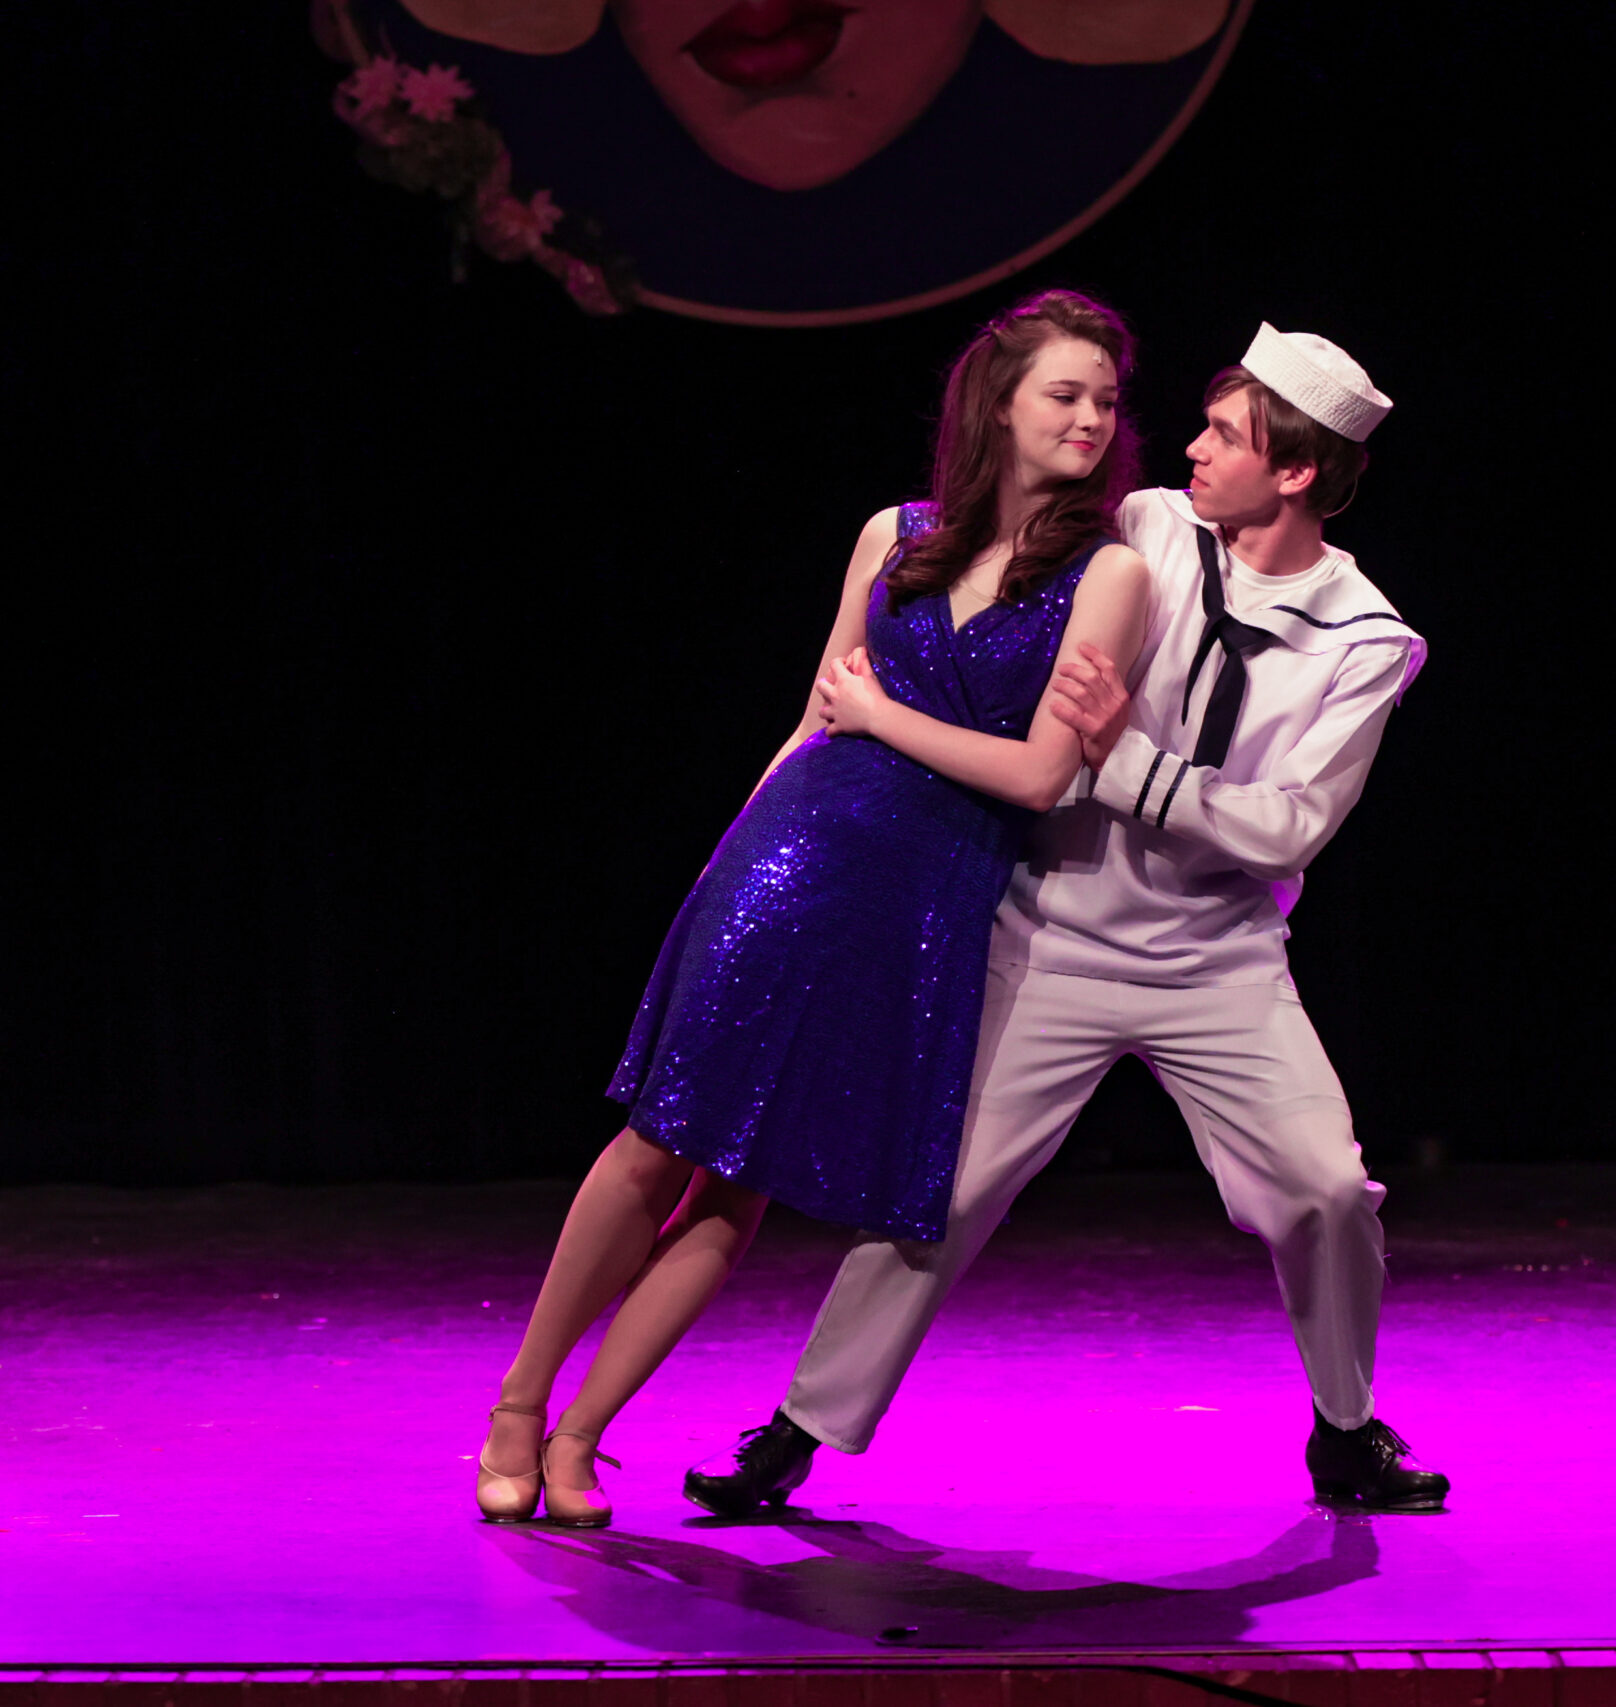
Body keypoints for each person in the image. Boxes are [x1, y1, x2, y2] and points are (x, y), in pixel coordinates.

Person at [685, 323, 1448, 1515]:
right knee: (943, 1181)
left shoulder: (1365, 640)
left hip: (1217, 962)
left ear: (1295, 472)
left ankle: (1346, 1428)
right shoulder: (1141, 528)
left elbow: (1287, 829)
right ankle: (801, 1426)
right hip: (1051, 931)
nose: (1186, 447)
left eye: (1225, 436)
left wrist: (1122, 762)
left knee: (1325, 1193)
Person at [474, 289, 1150, 1526]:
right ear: (997, 403)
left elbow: (1042, 776)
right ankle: (519, 1404)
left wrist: (886, 716)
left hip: (922, 902)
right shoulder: (896, 535)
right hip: (792, 860)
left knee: (742, 1189)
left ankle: (577, 1436)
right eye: (1065, 394)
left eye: (1107, 402)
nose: (1093, 421)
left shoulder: (1108, 575)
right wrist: (724, 862)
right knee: (659, 1141)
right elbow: (808, 721)